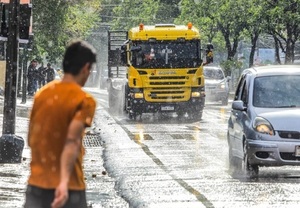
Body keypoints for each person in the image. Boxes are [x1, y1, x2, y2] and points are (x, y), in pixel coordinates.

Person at [24, 39, 97, 208]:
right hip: (70, 188)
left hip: (36, 186)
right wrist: (62, 183)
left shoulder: (41, 95)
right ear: (86, 68)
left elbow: (31, 139)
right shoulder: (84, 100)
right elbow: (72, 141)